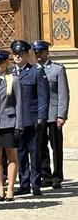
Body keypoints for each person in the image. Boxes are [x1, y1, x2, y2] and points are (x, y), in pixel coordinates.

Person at [10, 39, 49, 196]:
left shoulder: (36, 72)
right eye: (15, 54)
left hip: (32, 119)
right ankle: (23, 183)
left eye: (21, 54)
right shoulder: (9, 73)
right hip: (16, 120)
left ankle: (36, 183)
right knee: (20, 153)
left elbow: (43, 96)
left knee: (35, 152)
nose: (18, 56)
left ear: (27, 55)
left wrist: (41, 117)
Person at [32, 40, 70, 189]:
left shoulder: (57, 69)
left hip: (54, 114)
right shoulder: (33, 70)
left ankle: (57, 176)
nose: (39, 55)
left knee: (56, 146)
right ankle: (45, 175)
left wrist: (62, 115)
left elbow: (63, 93)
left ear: (47, 52)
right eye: (36, 53)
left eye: (41, 52)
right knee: (41, 146)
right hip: (39, 114)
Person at [0, 49, 23, 202]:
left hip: (10, 122)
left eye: (1, 62)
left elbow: (19, 104)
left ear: (6, 63)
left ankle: (10, 189)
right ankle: (0, 188)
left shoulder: (13, 79)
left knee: (11, 156)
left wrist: (19, 125)